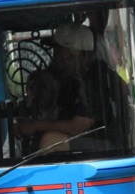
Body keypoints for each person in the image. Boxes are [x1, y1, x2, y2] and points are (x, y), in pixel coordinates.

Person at [14, 21, 127, 153]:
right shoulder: (76, 79)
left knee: (50, 141)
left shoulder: (95, 78)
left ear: (70, 54)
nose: (55, 58)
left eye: (57, 52)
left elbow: (77, 127)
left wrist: (34, 126)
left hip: (111, 145)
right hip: (95, 140)